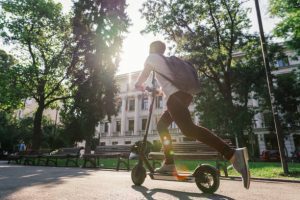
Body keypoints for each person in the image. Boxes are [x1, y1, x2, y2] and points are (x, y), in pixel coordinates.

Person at [135, 41, 250, 189]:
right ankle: (169, 163)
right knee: (161, 125)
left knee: (188, 130)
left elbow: (142, 77)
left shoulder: (151, 58)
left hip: (174, 98)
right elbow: (168, 85)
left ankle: (232, 154)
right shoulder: (166, 62)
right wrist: (156, 91)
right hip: (184, 96)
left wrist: (138, 85)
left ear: (152, 49)